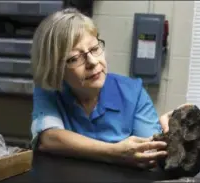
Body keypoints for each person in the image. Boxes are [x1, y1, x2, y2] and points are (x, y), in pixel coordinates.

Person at [31, 8, 183, 169]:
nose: (93, 62)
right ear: (55, 69)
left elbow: (151, 153)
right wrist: (114, 152)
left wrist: (172, 134)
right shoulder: (48, 91)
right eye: (75, 58)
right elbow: (48, 139)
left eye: (95, 49)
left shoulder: (133, 92)